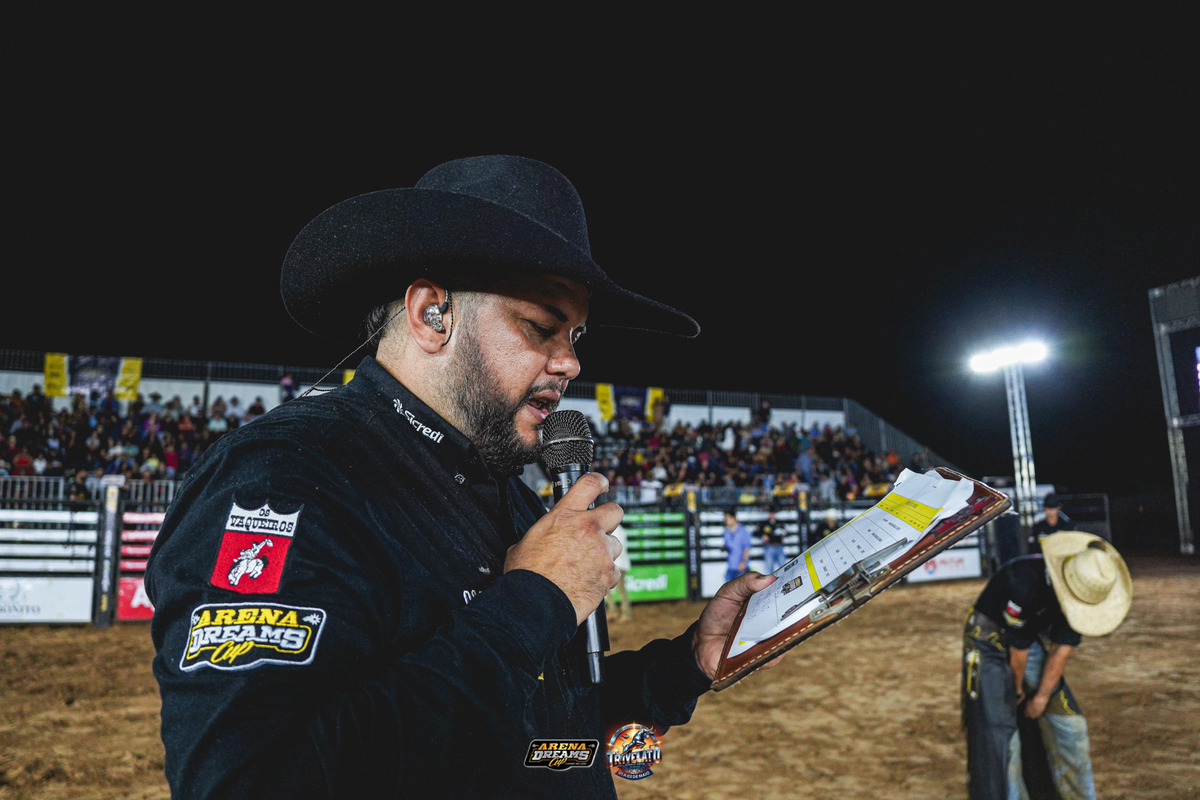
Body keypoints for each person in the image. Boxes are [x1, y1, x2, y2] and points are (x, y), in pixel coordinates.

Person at [145, 155, 780, 799]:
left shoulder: (512, 497)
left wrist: (683, 665)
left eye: (577, 334)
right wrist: (534, 601)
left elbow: (536, 741)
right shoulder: (284, 478)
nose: (571, 362)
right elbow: (252, 781)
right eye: (542, 326)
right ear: (432, 315)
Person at [961, 532, 1131, 800]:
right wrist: (1017, 691)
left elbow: (1060, 650)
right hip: (988, 642)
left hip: (1026, 641)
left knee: (1071, 726)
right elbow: (1018, 653)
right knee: (1003, 738)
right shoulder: (1022, 582)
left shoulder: (1080, 591)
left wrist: (1041, 697)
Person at [722, 509, 753, 583]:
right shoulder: (726, 533)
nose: (726, 521)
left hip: (741, 568)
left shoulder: (743, 531)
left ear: (733, 518)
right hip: (731, 567)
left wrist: (743, 562)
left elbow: (747, 549)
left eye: (727, 518)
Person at [757, 507, 785, 574]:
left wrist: (784, 534)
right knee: (769, 567)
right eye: (770, 513)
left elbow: (785, 531)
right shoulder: (764, 523)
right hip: (769, 546)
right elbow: (756, 532)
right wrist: (762, 536)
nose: (772, 515)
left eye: (773, 513)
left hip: (779, 546)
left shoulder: (779, 523)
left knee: (783, 566)